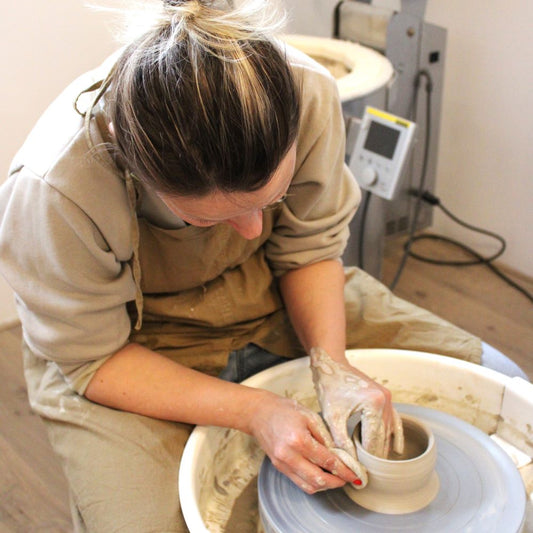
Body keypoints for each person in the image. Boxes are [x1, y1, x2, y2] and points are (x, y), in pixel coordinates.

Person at [0, 0, 482, 530]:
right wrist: (256, 410)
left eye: (269, 202)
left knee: (488, 379)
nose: (254, 229)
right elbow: (91, 359)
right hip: (128, 345)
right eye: (215, 219)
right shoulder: (55, 190)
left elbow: (308, 251)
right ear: (137, 171)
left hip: (269, 289)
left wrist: (334, 367)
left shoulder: (307, 96)